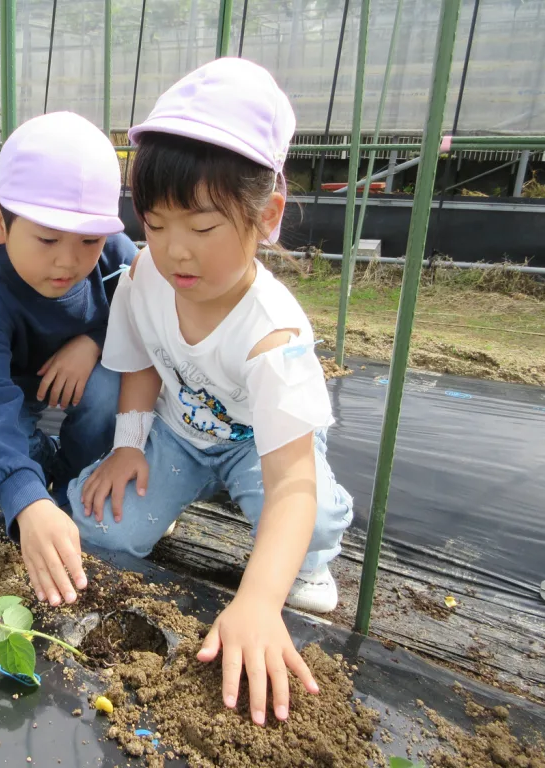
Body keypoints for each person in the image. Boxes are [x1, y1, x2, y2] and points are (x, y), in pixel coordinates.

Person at [68, 59, 354, 725]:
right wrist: (129, 445)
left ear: (267, 215)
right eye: (155, 224)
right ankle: (169, 491)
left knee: (303, 529)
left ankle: (328, 523)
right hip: (180, 435)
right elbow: (139, 359)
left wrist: (255, 602)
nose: (174, 252)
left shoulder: (272, 337)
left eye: (201, 228)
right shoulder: (144, 276)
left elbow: (289, 483)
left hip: (262, 451)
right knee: (97, 526)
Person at [0, 112, 137, 606]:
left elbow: (147, 309)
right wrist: (24, 499)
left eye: (88, 241)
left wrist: (94, 340)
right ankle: (41, 481)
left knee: (108, 392)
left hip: (89, 373)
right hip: (17, 383)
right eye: (47, 239)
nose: (67, 261)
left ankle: (76, 484)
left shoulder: (116, 257)